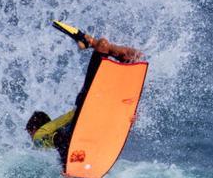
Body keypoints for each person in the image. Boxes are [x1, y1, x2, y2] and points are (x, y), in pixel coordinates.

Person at [26, 33, 144, 163]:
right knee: (135, 57)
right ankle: (93, 43)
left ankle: (96, 45)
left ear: (33, 130)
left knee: (111, 49)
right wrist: (126, 121)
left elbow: (60, 139)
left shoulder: (39, 137)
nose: (32, 139)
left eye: (30, 134)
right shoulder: (57, 125)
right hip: (91, 107)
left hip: (86, 106)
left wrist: (66, 164)